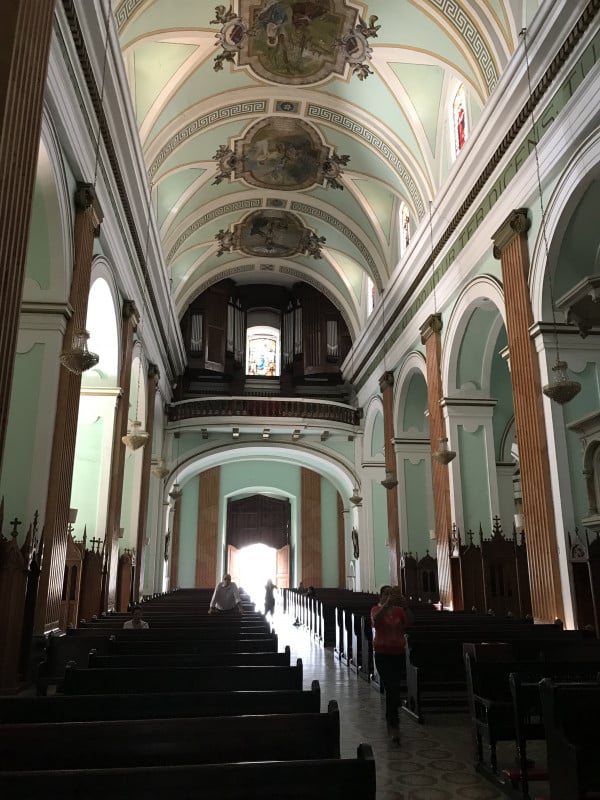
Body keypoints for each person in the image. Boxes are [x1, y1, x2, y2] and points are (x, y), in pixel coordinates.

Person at [371, 585, 414, 744]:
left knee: (393, 688)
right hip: (382, 655)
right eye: (386, 594)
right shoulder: (376, 609)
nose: (389, 596)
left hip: (398, 654)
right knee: (391, 687)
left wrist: (406, 606)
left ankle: (391, 720)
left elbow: (410, 622)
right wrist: (386, 606)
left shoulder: (399, 611)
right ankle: (394, 725)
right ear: (381, 596)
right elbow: (375, 621)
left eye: (391, 594)